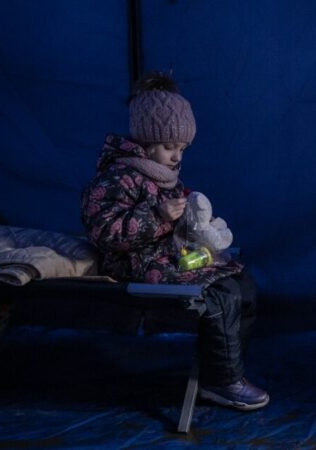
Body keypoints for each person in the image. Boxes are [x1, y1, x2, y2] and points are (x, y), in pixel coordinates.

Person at [81, 72, 269, 411]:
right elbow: (103, 232)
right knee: (219, 294)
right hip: (136, 263)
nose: (176, 156)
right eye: (169, 147)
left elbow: (179, 224)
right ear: (145, 141)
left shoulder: (163, 175)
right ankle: (221, 381)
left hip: (171, 255)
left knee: (242, 284)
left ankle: (223, 370)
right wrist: (158, 217)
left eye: (182, 148)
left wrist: (197, 224)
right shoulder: (118, 176)